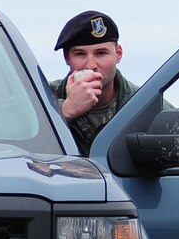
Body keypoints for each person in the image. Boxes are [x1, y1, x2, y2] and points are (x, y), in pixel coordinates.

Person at [50, 9, 138, 156]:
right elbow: (4, 132)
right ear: (67, 58)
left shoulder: (143, 104)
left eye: (101, 53)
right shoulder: (40, 97)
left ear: (118, 54)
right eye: (80, 54)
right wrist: (63, 112)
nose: (90, 65)